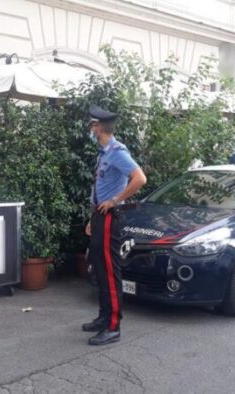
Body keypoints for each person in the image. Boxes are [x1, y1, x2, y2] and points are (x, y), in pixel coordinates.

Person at [83, 104, 146, 346]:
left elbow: (139, 178)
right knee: (99, 267)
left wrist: (115, 201)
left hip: (111, 218)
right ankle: (103, 317)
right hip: (100, 217)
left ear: (98, 128)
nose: (90, 129)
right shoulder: (104, 153)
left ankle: (113, 326)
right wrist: (92, 219)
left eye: (92, 125)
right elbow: (99, 189)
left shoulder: (118, 152)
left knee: (109, 272)